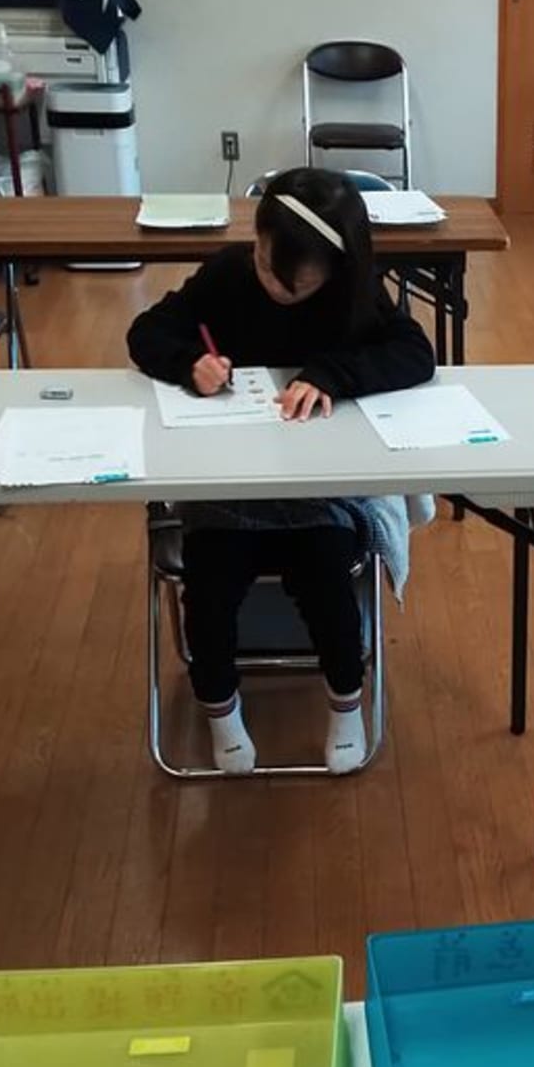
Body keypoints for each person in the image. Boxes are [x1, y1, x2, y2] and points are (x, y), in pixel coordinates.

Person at [126, 167, 434, 775]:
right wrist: (189, 363)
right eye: (265, 264)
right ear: (257, 240)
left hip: (316, 489)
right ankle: (221, 713)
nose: (272, 284)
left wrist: (332, 375)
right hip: (227, 484)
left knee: (327, 583)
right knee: (209, 591)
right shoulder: (228, 274)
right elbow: (147, 332)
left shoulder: (354, 295)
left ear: (333, 271)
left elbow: (414, 352)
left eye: (293, 284)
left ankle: (346, 704)